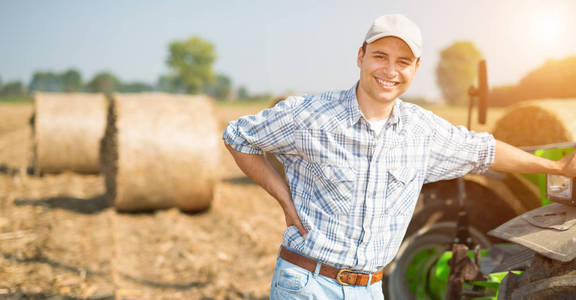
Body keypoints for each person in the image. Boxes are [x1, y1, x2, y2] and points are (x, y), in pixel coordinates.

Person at [222, 14, 576, 300]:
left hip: (371, 288)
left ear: (415, 68)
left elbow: (485, 150)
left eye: (402, 62)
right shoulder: (311, 114)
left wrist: (556, 167)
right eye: (380, 57)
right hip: (308, 284)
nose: (390, 71)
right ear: (361, 57)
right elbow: (238, 136)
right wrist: (283, 197)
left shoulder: (422, 130)